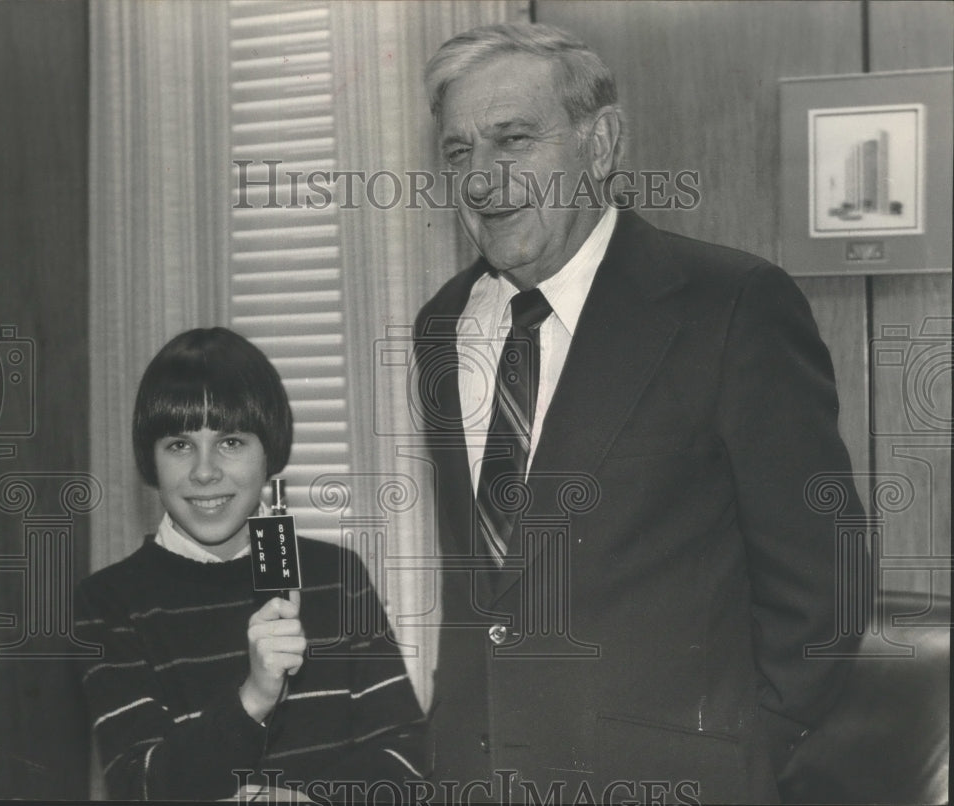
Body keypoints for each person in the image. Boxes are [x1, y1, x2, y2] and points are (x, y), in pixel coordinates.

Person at [413, 23, 862, 804]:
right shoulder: (440, 327)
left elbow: (824, 584)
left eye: (512, 140)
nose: (482, 179)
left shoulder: (729, 306)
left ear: (602, 142)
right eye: (459, 153)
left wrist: (730, 750)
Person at [74, 327, 425, 801]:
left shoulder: (336, 577)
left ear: (270, 453)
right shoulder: (110, 602)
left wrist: (313, 801)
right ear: (150, 460)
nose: (203, 470)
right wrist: (255, 696)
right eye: (179, 445)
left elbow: (408, 757)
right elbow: (139, 785)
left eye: (231, 442)